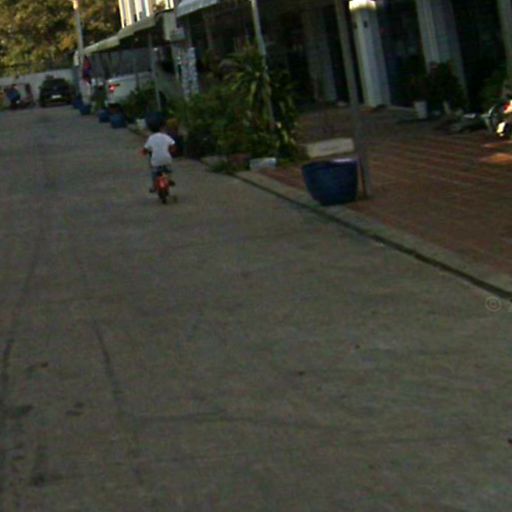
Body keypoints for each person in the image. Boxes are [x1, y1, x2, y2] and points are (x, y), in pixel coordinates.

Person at [142, 119, 176, 193]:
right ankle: (169, 179)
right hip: (166, 159)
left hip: (156, 161)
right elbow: (173, 144)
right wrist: (172, 151)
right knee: (169, 170)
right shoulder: (165, 136)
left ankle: (154, 186)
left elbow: (145, 149)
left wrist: (144, 152)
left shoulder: (151, 138)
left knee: (154, 172)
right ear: (161, 128)